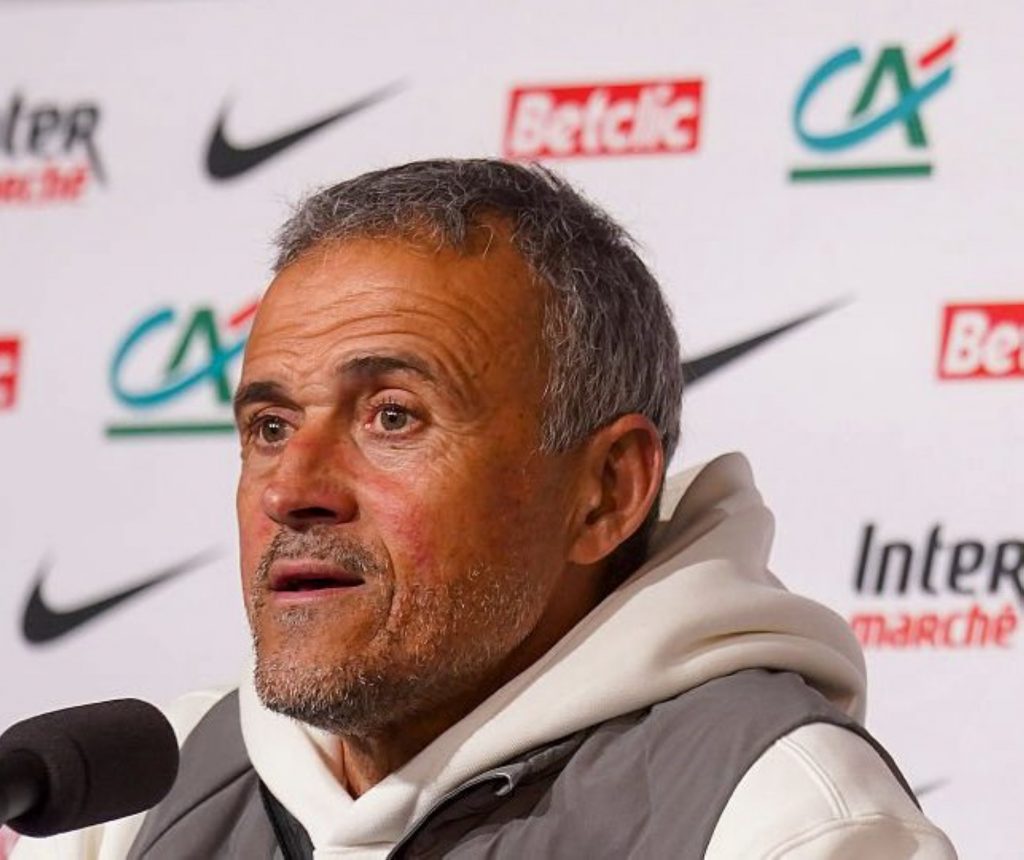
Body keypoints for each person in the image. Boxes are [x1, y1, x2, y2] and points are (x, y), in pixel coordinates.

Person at [13, 159, 956, 859]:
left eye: (392, 417)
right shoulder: (135, 804)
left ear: (606, 491)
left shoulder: (783, 819)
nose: (292, 489)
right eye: (270, 426)